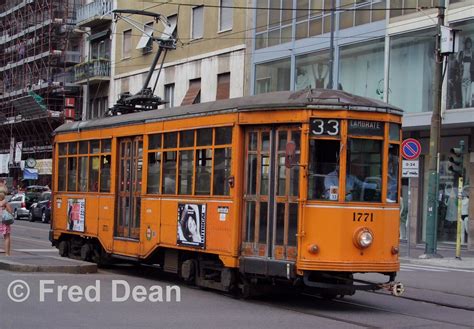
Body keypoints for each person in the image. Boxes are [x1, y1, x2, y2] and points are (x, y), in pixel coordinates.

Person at [458, 37, 473, 108]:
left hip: (469, 78)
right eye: (467, 43)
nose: (468, 44)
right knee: (464, 100)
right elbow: (459, 64)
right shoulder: (462, 53)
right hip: (463, 77)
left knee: (467, 99)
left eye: (470, 43)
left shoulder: (472, 54)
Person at [0, 191, 13, 256]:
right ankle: (7, 253)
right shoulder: (5, 202)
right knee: (7, 237)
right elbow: (10, 211)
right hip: (4, 221)